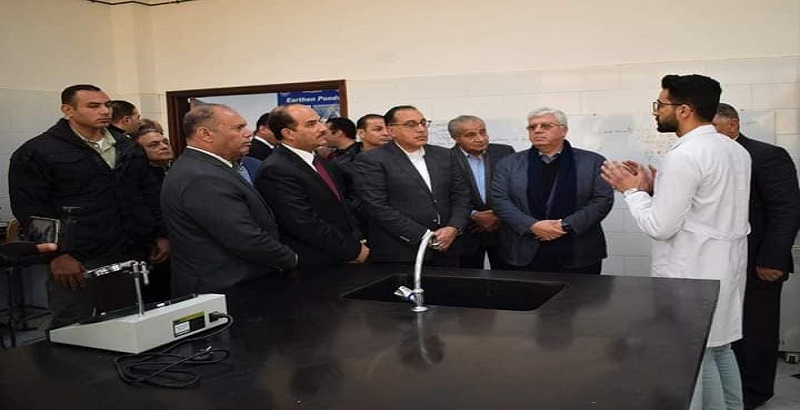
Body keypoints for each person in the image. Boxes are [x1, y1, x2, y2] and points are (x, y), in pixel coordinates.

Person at [600, 74, 751, 409]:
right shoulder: (733, 149)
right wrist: (658, 185)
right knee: (720, 349)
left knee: (694, 356)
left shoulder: (684, 155)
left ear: (684, 110)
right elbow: (707, 204)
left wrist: (632, 191)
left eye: (660, 104)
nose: (656, 111)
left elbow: (659, 227)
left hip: (693, 273)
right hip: (724, 268)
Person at [8, 84, 159, 329]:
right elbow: (31, 209)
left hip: (127, 251)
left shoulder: (126, 145)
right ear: (68, 110)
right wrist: (57, 255)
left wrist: (158, 234)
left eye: (107, 105)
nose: (105, 111)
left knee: (128, 322)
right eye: (93, 106)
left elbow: (147, 193)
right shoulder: (38, 151)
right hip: (77, 257)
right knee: (73, 327)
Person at [713, 102, 800, 409]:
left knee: (756, 332)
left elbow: (786, 210)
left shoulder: (766, 156)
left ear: (733, 124)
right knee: (728, 333)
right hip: (722, 262)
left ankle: (754, 394)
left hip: (758, 263)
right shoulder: (710, 157)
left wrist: (772, 260)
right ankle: (729, 391)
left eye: (714, 128)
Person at [161, 104, 297, 296]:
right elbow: (243, 237)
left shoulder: (210, 167)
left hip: (236, 282)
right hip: (225, 287)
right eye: (238, 128)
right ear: (206, 134)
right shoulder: (202, 176)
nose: (248, 133)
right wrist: (292, 259)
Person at [489, 107, 613, 274]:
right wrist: (531, 225)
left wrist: (565, 226)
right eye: (532, 127)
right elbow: (499, 200)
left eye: (546, 126)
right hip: (523, 249)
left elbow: (602, 199)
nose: (537, 130)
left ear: (564, 130)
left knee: (582, 292)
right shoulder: (509, 164)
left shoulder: (593, 162)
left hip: (579, 249)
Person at [254, 104, 368, 268]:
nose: (322, 128)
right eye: (311, 124)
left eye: (319, 122)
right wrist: (352, 250)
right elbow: (302, 222)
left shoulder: (322, 162)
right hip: (316, 263)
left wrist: (357, 240)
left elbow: (341, 205)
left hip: (343, 256)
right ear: (288, 133)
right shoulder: (276, 169)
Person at [353, 105, 471, 265]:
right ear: (391, 130)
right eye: (411, 125)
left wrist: (453, 227)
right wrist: (425, 236)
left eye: (423, 123)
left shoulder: (444, 155)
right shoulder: (372, 160)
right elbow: (377, 206)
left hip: (448, 246)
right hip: (401, 250)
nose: (421, 129)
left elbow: (461, 195)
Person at [448, 115, 514, 269]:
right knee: (470, 278)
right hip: (467, 231)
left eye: (483, 132)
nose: (480, 138)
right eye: (470, 135)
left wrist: (498, 215)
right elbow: (444, 195)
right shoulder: (446, 158)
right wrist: (473, 215)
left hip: (503, 229)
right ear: (455, 138)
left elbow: (516, 188)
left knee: (508, 277)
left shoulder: (504, 152)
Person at [130, 122, 174, 302]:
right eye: (153, 145)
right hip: (153, 248)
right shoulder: (139, 179)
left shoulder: (173, 170)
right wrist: (159, 236)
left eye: (165, 142)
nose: (163, 146)